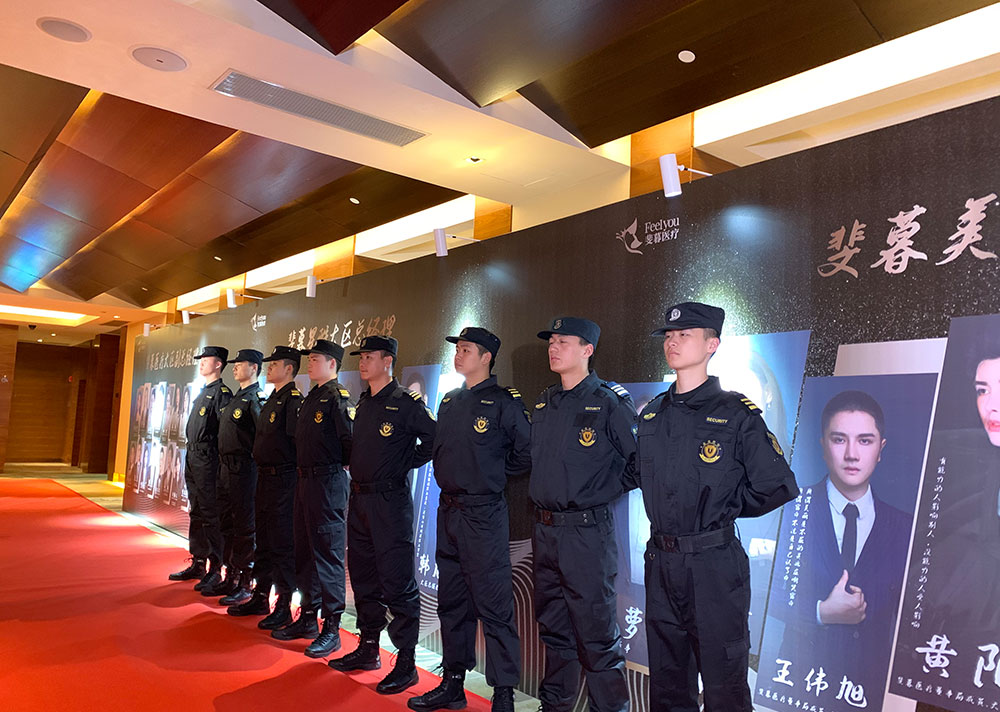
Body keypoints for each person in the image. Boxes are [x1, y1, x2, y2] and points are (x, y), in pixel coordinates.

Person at [634, 302, 798, 712]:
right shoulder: (653, 414)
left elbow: (777, 485)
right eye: (669, 335)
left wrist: (723, 509)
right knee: (668, 680)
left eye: (684, 335)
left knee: (724, 682)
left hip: (713, 565)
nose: (672, 342)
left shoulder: (735, 413)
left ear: (712, 345)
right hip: (662, 561)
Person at [408, 327, 530, 712]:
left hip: (484, 514)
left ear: (486, 357)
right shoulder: (450, 400)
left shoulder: (504, 402)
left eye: (466, 350)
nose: (458, 355)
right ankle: (453, 682)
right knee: (452, 601)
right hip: (449, 512)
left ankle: (504, 692)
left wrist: (490, 476)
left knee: (494, 606)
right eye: (457, 349)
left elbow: (525, 453)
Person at [529, 317, 636, 712]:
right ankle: (555, 705)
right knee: (555, 628)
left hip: (586, 535)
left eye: (563, 342)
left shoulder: (608, 402)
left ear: (587, 350)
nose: (553, 348)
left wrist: (601, 489)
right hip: (546, 532)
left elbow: (639, 462)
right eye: (551, 341)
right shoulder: (545, 402)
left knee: (596, 635)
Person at [774, 390, 911, 698]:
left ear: (880, 448)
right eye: (839, 439)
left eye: (865, 441)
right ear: (823, 445)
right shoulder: (790, 509)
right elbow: (760, 590)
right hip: (797, 681)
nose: (852, 454)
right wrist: (821, 612)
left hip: (868, 690)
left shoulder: (905, 527)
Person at [329, 335, 436, 696]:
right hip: (359, 501)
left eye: (370, 357)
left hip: (390, 503)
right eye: (361, 357)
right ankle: (369, 646)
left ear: (388, 361)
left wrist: (403, 462)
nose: (362, 362)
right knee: (364, 578)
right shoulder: (364, 402)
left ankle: (405, 662)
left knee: (397, 582)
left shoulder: (406, 402)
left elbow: (434, 439)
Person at [271, 339, 354, 659]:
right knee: (304, 552)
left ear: (332, 364)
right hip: (304, 482)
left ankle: (331, 627)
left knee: (328, 556)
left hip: (327, 482)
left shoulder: (337, 397)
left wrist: (332, 467)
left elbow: (350, 443)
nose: (310, 363)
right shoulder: (311, 398)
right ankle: (307, 615)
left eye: (316, 359)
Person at [230, 345, 303, 624]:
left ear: (289, 369)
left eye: (275, 364)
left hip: (284, 479)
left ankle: (283, 603)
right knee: (264, 539)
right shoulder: (272, 399)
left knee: (282, 543)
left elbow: (297, 445)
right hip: (264, 478)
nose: (269, 368)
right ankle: (260, 595)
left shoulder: (293, 401)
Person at [169, 346, 232, 589]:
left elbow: (223, 432)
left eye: (206, 359)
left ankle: (216, 565)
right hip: (194, 456)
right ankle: (198, 561)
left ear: (218, 364)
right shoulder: (203, 392)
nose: (202, 363)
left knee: (210, 512)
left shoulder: (221, 394)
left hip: (208, 458)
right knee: (196, 510)